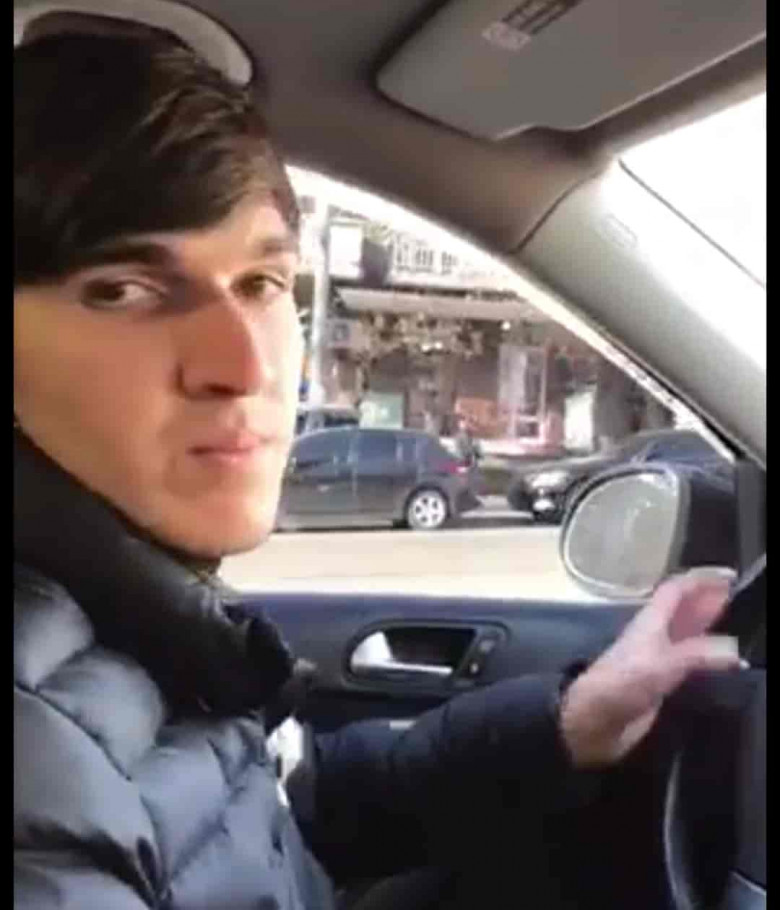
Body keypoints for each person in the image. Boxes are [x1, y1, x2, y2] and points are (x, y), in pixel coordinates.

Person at [14, 19, 744, 910]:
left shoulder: (136, 630)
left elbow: (291, 811)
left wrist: (571, 722)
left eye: (262, 284)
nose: (243, 365)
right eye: (123, 290)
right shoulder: (37, 781)